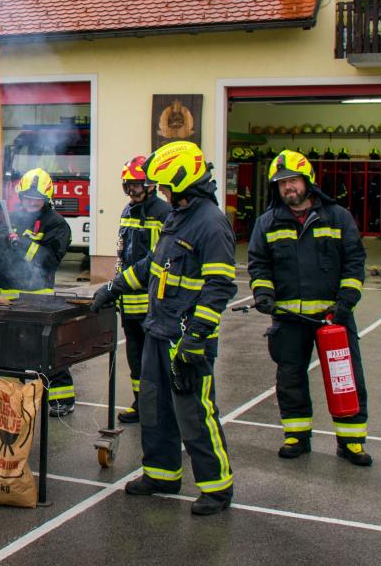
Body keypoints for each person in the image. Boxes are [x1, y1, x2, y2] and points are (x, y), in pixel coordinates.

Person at [91, 141, 236, 516]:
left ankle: (216, 488)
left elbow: (219, 287)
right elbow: (152, 265)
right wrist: (113, 287)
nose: (164, 193)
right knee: (155, 409)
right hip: (158, 329)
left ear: (184, 183)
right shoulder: (179, 216)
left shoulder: (210, 223)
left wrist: (196, 337)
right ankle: (161, 475)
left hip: (186, 338)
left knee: (194, 413)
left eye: (168, 187)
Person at [247, 150, 372, 466]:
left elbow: (355, 260)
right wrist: (263, 293)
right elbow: (259, 263)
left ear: (308, 181)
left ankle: (351, 442)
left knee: (346, 378)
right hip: (289, 318)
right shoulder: (267, 223)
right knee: (290, 379)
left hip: (334, 317)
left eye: (293, 180)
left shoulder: (337, 217)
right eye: (281, 183)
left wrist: (346, 301)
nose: (288, 187)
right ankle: (297, 436)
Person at [0, 168, 75, 417]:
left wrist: (23, 244)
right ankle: (11, 398)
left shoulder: (56, 224)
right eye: (27, 197)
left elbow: (50, 260)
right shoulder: (9, 217)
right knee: (7, 350)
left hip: (38, 298)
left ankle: (61, 399)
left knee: (46, 349)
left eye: (36, 198)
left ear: (46, 198)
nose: (30, 202)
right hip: (5, 296)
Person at [110, 155, 173, 424]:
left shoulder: (163, 213)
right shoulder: (127, 211)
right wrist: (116, 287)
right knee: (135, 359)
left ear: (150, 185)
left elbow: (160, 259)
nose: (132, 190)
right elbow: (122, 253)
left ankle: (158, 407)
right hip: (129, 302)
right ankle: (141, 404)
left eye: (136, 185)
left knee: (154, 361)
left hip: (152, 303)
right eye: (128, 185)